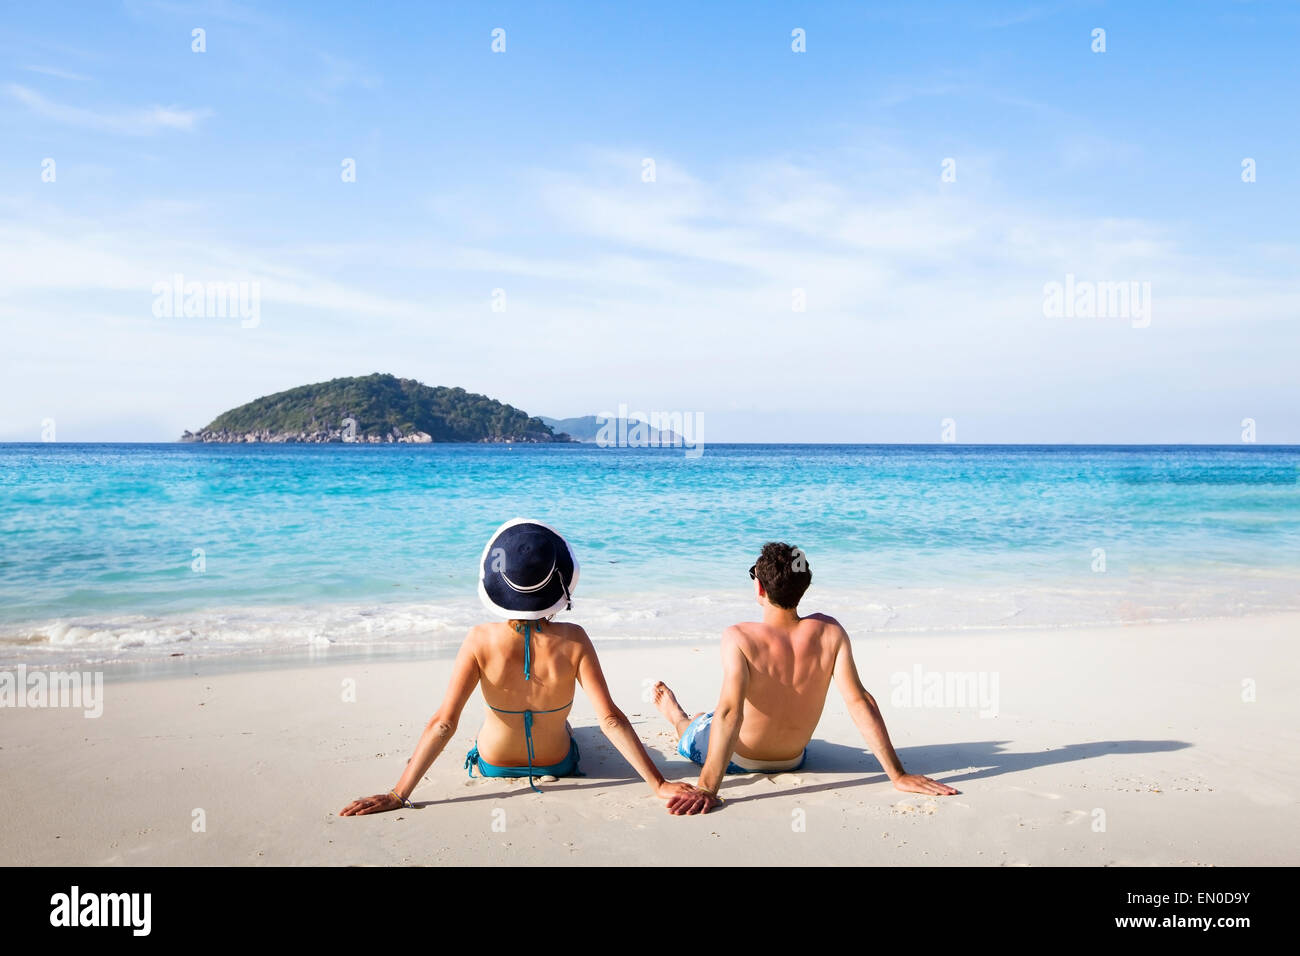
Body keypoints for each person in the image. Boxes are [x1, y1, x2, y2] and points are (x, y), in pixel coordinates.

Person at [341, 518, 712, 816]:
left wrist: (398, 794)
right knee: (567, 724)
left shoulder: (478, 639)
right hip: (558, 762)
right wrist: (658, 784)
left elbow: (444, 722)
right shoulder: (575, 638)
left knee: (497, 724)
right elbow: (610, 719)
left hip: (494, 763)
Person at [654, 541, 959, 815]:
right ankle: (695, 719)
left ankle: (677, 716)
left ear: (760, 589)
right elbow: (859, 701)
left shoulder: (739, 637)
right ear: (803, 588)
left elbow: (731, 713)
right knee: (713, 717)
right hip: (793, 758)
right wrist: (898, 775)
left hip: (741, 759)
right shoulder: (830, 632)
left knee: (697, 724)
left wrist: (708, 787)